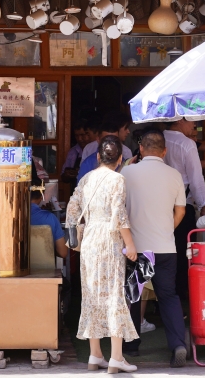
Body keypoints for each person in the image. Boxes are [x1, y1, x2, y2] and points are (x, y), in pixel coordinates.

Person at [66, 136, 138, 373]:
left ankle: (95, 354)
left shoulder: (87, 178)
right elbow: (119, 214)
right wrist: (130, 245)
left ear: (97, 157)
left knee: (92, 296)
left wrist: (76, 234)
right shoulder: (118, 179)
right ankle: (116, 357)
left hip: (90, 239)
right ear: (119, 160)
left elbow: (72, 207)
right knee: (115, 295)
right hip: (109, 238)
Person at [121, 131, 188, 367]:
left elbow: (120, 207)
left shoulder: (127, 172)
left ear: (140, 149)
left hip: (137, 248)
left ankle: (131, 345)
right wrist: (167, 229)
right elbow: (181, 211)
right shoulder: (174, 175)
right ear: (165, 151)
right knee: (169, 296)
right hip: (166, 247)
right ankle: (178, 344)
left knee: (134, 296)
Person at [163, 119, 205, 298]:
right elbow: (196, 179)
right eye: (192, 121)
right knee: (182, 254)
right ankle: (178, 296)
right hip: (182, 206)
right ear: (180, 120)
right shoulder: (186, 144)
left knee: (163, 252)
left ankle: (161, 298)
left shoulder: (158, 138)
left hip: (159, 206)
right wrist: (203, 203)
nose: (194, 126)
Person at [76, 112, 134, 183]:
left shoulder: (124, 162)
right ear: (98, 140)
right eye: (106, 140)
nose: (110, 143)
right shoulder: (87, 163)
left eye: (114, 140)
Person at [30, 189, 68, 259]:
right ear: (41, 196)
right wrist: (50, 249)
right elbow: (63, 252)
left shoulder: (12, 217)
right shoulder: (50, 218)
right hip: (46, 268)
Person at [60, 121, 94, 190]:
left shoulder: (95, 150)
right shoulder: (73, 152)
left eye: (82, 135)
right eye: (77, 136)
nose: (79, 139)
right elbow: (63, 178)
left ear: (88, 134)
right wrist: (67, 174)